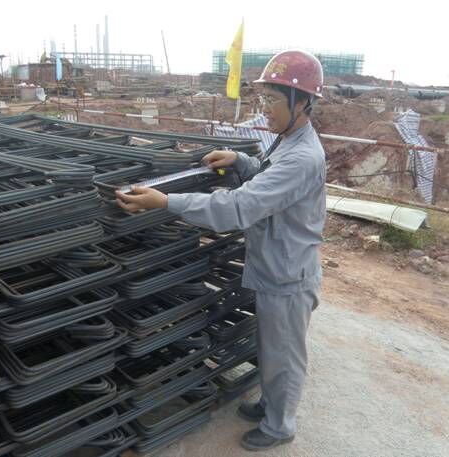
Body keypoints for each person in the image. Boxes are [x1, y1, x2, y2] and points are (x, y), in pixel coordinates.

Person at [116, 50, 326, 452]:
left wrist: (167, 202)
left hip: (288, 273)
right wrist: (241, 160)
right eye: (263, 99)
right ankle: (271, 404)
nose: (265, 109)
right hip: (277, 263)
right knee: (273, 347)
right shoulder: (288, 141)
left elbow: (238, 207)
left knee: (284, 353)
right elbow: (266, 178)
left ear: (302, 103)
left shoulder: (301, 157)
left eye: (273, 101)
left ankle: (280, 425)